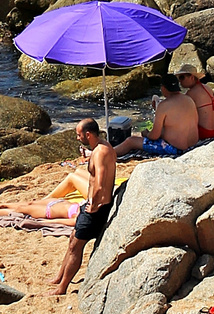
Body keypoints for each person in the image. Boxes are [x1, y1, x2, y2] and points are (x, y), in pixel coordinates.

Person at [52, 121, 118, 296]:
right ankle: (60, 277)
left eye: (79, 134)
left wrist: (93, 205)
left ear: (88, 134)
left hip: (97, 208)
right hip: (92, 204)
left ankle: (62, 288)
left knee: (76, 245)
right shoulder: (102, 147)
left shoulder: (101, 152)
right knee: (73, 237)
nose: (77, 137)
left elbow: (100, 183)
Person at [113, 73, 199, 159]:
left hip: (176, 149)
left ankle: (108, 153)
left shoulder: (164, 105)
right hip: (192, 145)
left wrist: (146, 134)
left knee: (131, 141)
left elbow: (154, 136)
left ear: (163, 88)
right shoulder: (189, 99)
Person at [174, 66, 214, 142]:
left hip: (204, 133)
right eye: (179, 78)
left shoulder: (191, 94)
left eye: (182, 77)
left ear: (192, 77)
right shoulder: (208, 88)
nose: (180, 81)